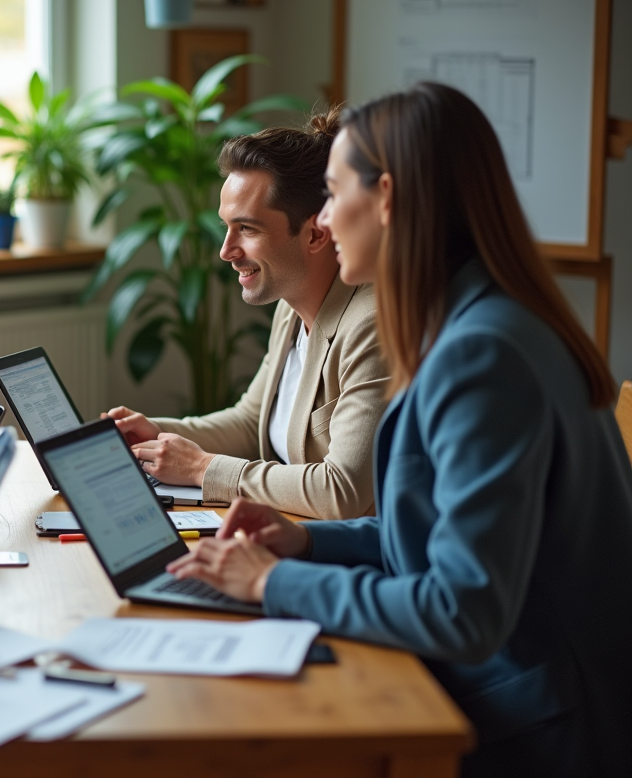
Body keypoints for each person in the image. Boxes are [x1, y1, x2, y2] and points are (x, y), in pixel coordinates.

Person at [167, 83, 632, 775]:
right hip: (520, 696)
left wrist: (273, 583)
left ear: (385, 198)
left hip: (537, 729)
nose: (325, 220)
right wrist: (305, 541)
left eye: (332, 194)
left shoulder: (481, 355)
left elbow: (461, 609)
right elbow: (435, 534)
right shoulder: (480, 321)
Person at [106, 110, 388, 519]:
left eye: (247, 229)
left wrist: (202, 468)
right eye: (226, 226)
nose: (226, 251)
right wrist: (158, 433)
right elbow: (250, 420)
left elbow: (342, 491)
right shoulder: (291, 308)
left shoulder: (372, 324)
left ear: (315, 233)